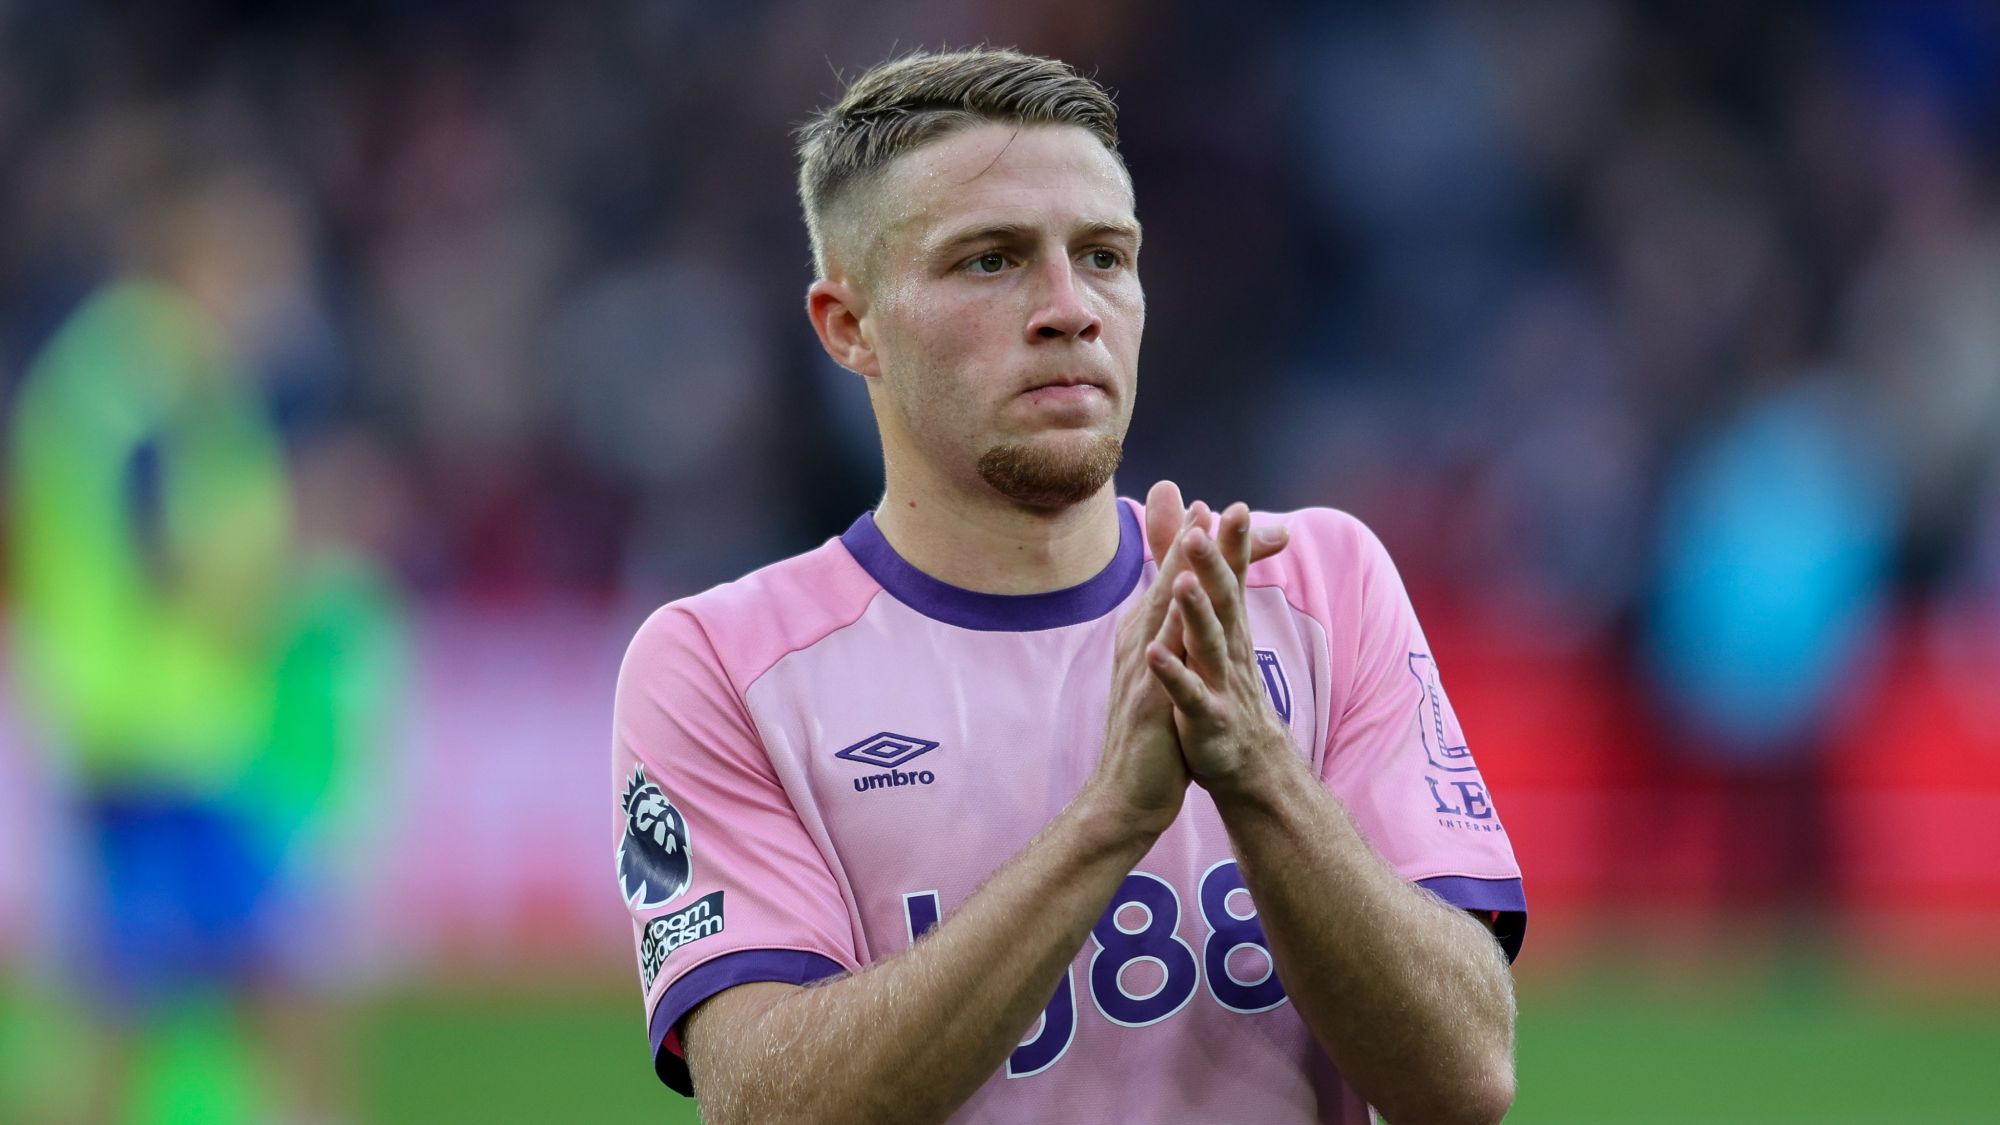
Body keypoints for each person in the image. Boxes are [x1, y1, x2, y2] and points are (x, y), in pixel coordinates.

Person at [610, 48, 1524, 1124]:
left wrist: (1258, 772)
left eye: (1102, 256)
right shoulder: (723, 667)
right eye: (990, 261)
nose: (1069, 308)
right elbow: (770, 1110)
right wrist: (1105, 824)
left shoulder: (1312, 589)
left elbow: (1465, 1079)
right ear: (849, 326)